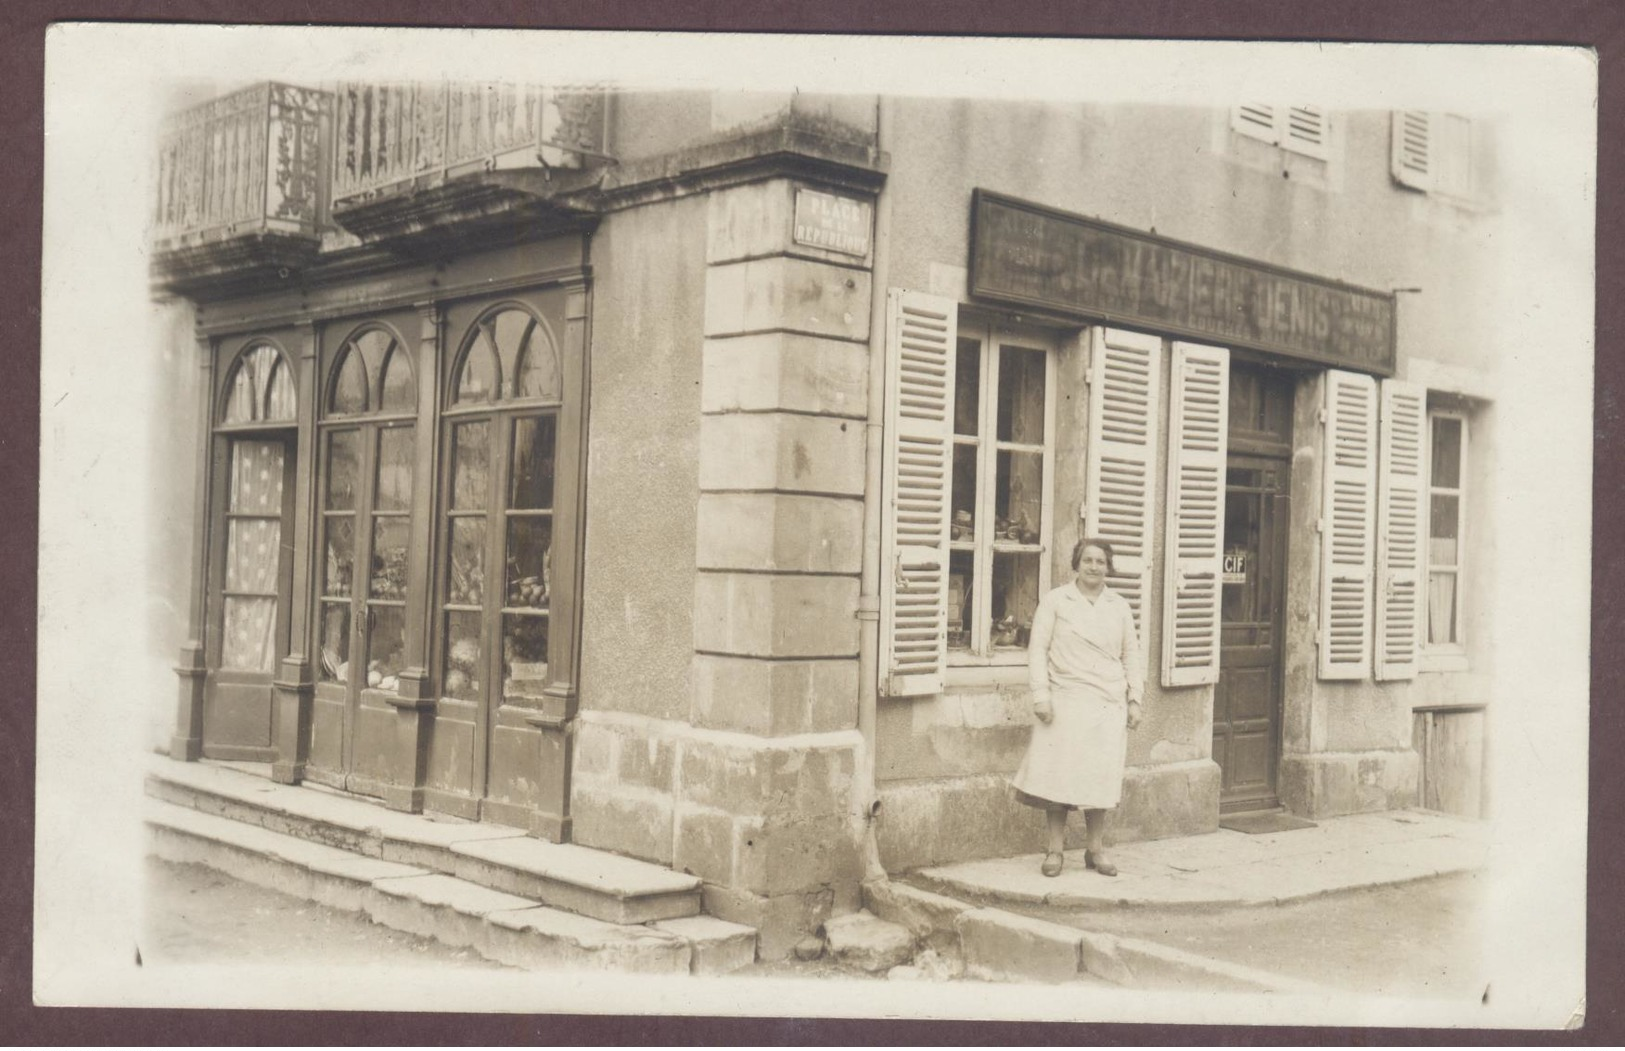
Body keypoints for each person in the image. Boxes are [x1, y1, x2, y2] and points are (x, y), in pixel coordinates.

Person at [1010, 537, 1147, 877]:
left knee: (1099, 780)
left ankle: (1095, 850)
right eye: (1088, 560)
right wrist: (1040, 695)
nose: (1094, 566)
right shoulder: (1057, 601)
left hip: (1106, 703)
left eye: (1101, 561)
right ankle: (1055, 851)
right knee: (1058, 777)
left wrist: (1135, 699)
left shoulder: (1118, 606)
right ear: (1077, 563)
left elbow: (1131, 653)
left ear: (1108, 567)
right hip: (1064, 700)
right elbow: (1037, 650)